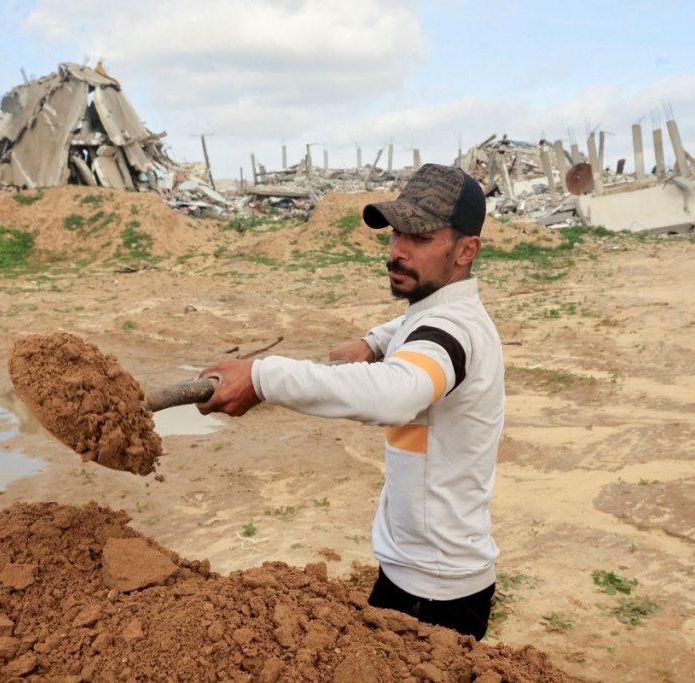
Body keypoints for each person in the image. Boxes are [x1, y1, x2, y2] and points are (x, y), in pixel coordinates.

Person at [197, 163, 505, 641]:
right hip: (417, 571)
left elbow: (397, 394)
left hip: (436, 593)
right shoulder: (442, 315)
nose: (398, 252)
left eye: (420, 239)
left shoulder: (450, 334)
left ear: (466, 250)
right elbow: (414, 328)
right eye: (396, 233)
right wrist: (375, 341)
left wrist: (263, 377)